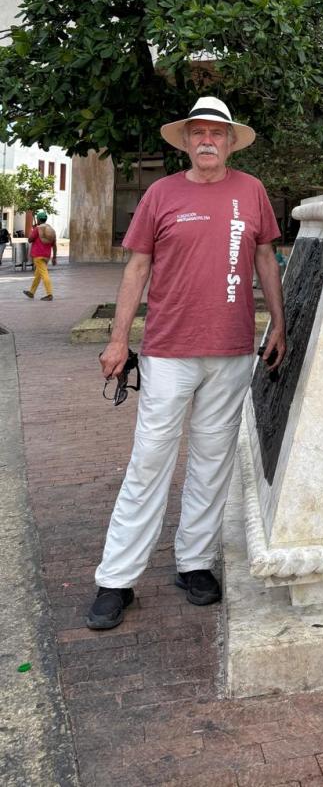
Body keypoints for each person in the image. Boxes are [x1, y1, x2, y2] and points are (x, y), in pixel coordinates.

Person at [85, 96, 286, 632]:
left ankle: (194, 564)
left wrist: (280, 324)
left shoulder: (252, 192)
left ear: (229, 141)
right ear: (186, 142)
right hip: (168, 351)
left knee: (212, 460)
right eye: (198, 133)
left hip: (232, 349)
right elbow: (138, 267)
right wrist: (117, 339)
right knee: (149, 459)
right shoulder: (161, 193)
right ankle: (117, 579)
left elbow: (265, 256)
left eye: (216, 134)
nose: (207, 141)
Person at [23, 211, 56, 300]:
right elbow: (54, 244)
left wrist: (32, 231)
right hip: (47, 256)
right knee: (38, 274)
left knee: (44, 274)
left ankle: (49, 294)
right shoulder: (51, 229)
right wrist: (54, 257)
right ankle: (31, 292)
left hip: (38, 255)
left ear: (38, 219)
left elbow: (30, 240)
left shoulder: (37, 229)